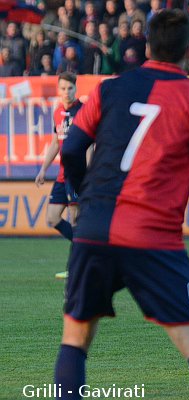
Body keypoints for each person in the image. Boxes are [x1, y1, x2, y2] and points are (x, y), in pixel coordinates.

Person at [55, 10, 189, 400]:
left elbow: (71, 149)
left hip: (92, 231)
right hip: (152, 238)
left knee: (75, 338)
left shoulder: (108, 89)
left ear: (145, 47)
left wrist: (82, 195)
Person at [35, 73, 84, 276]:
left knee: (75, 221)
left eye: (70, 88)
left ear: (75, 88)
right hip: (62, 174)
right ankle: (88, 247)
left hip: (77, 174)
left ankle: (75, 268)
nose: (66, 92)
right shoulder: (57, 113)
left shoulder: (83, 111)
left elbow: (91, 143)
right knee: (53, 218)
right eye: (63, 88)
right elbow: (56, 141)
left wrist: (86, 172)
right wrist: (44, 169)